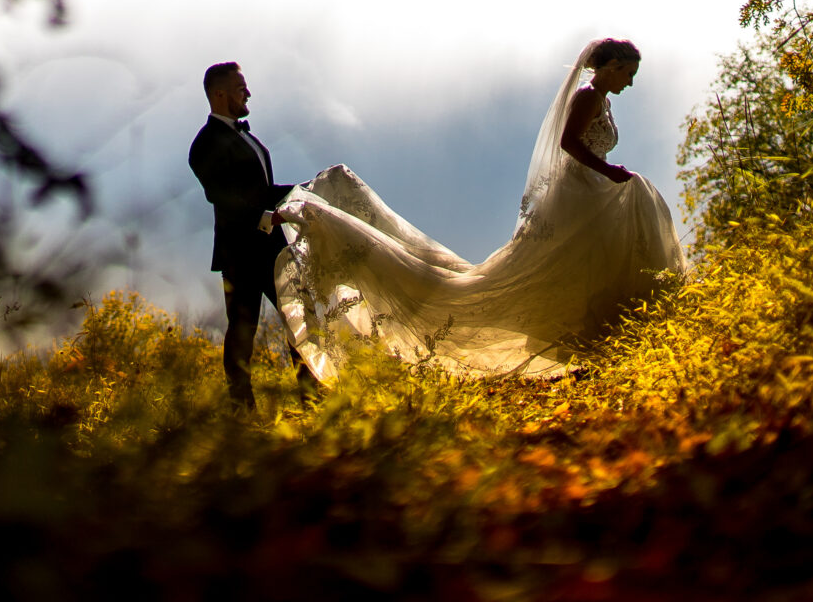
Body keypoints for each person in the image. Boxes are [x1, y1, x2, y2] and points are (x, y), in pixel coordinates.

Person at [269, 37, 687, 378]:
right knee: (573, 262)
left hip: (591, 188)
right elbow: (569, 145)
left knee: (594, 262)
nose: (630, 83)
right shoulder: (588, 97)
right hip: (581, 192)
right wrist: (609, 170)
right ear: (611, 66)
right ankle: (591, 335)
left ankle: (606, 334)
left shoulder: (603, 100)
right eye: (628, 73)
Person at [187, 61, 319, 409]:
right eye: (239, 87)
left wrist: (306, 191)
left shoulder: (250, 139)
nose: (248, 92)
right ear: (219, 93)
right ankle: (241, 408)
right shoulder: (204, 145)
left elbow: (262, 190)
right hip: (240, 251)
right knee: (243, 330)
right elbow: (221, 195)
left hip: (272, 247)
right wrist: (264, 217)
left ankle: (312, 398)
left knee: (300, 318)